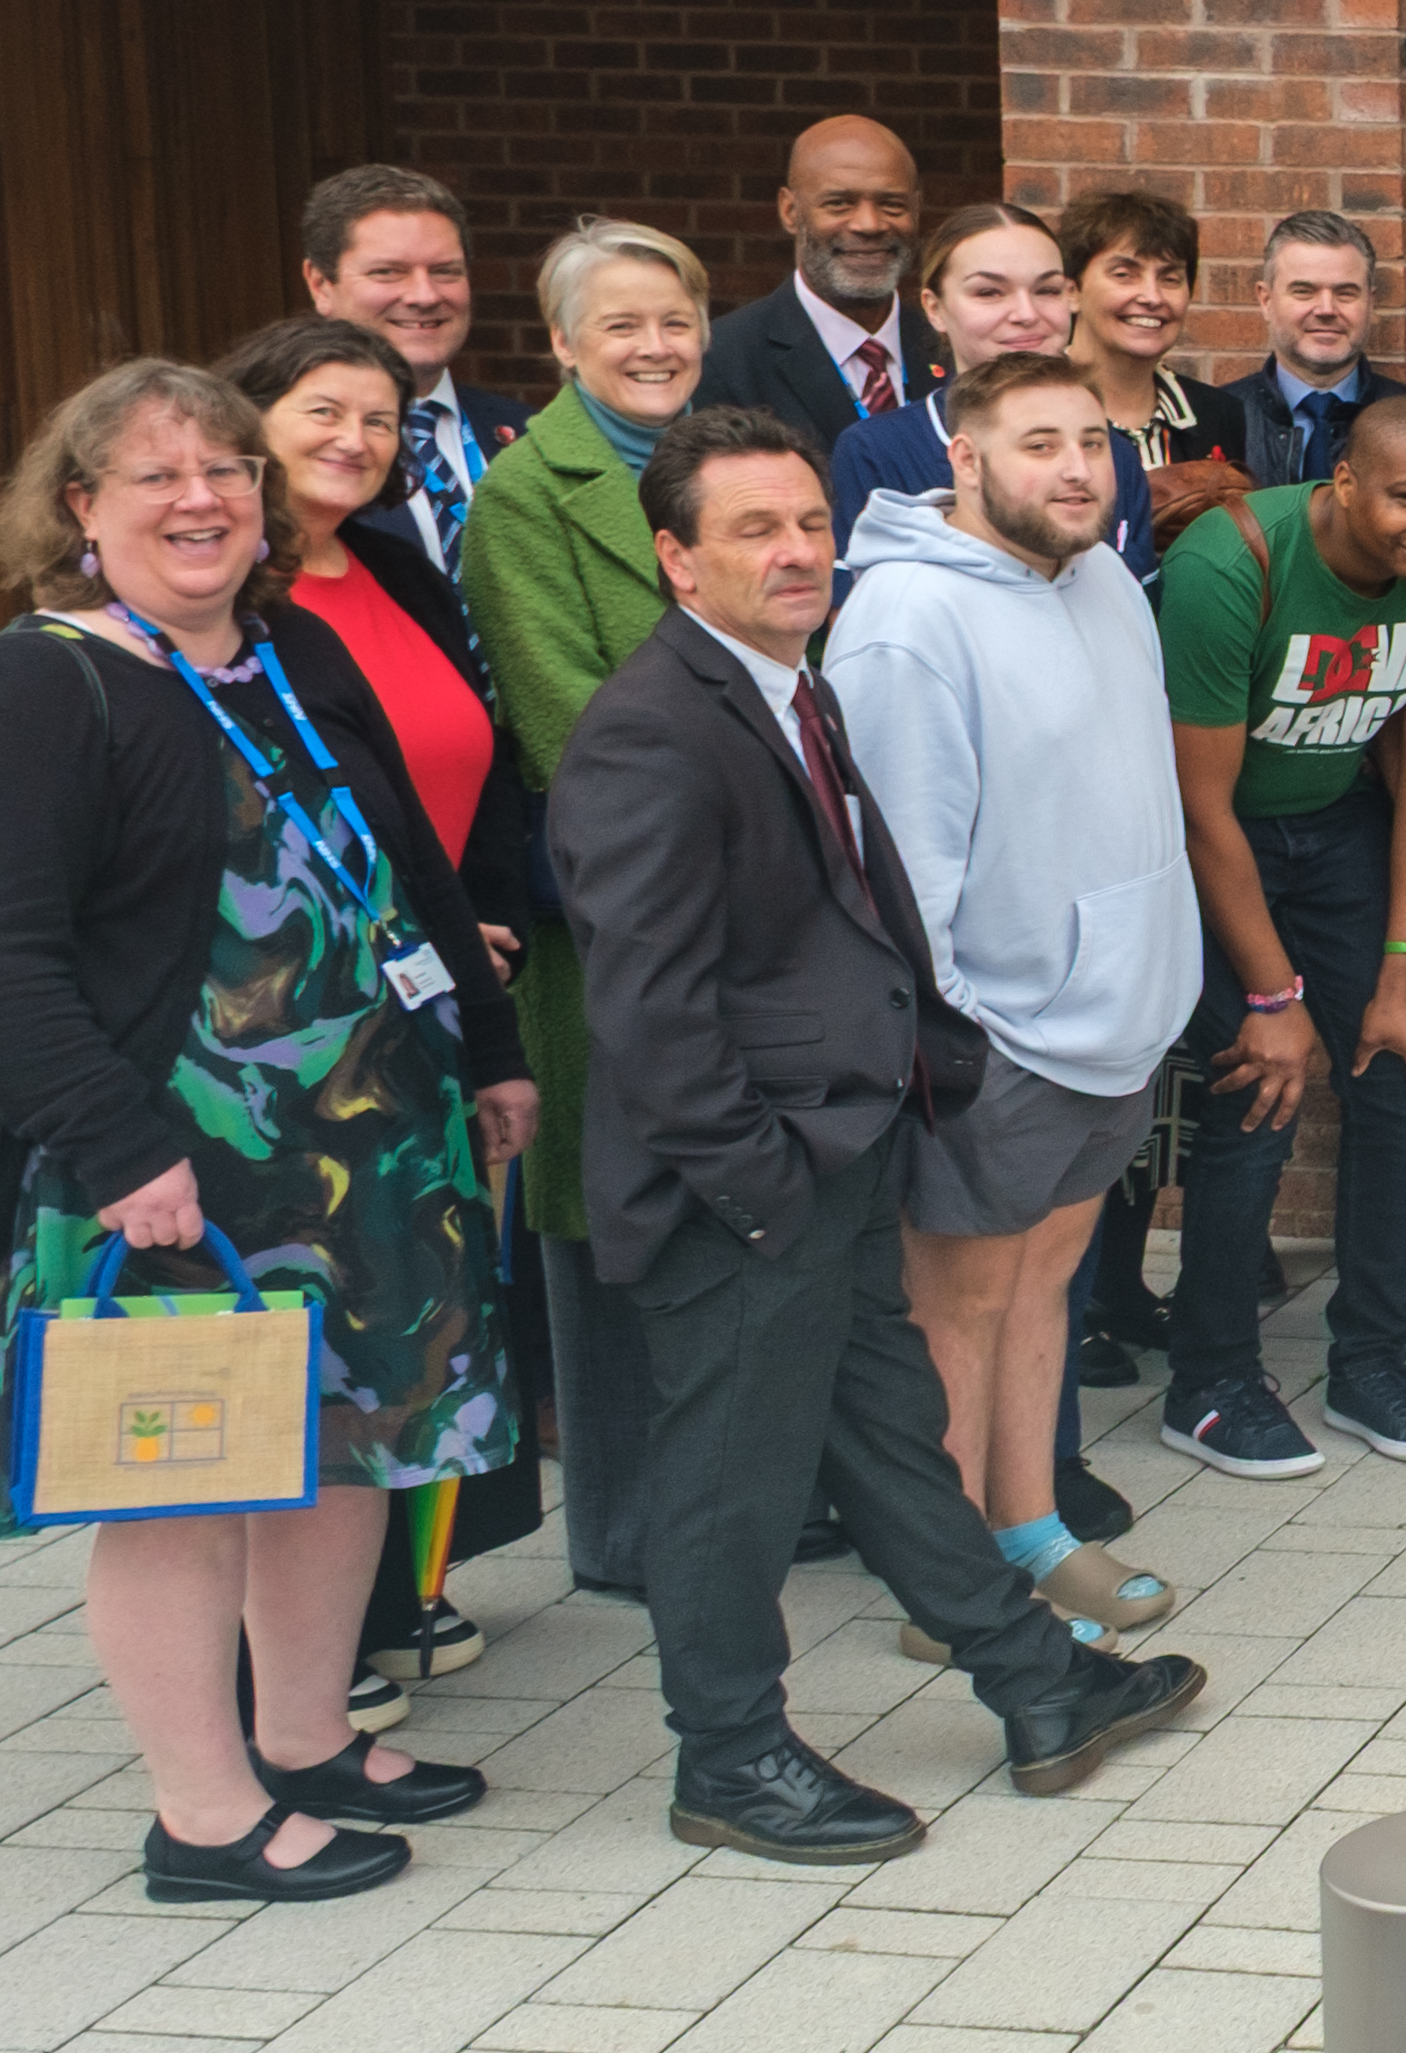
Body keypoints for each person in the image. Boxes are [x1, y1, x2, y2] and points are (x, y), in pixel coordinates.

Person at [553, 406, 1211, 1861]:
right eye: (752, 532)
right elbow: (651, 1011)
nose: (796, 552)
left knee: (896, 1443)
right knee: (729, 1475)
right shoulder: (650, 734)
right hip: (745, 1185)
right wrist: (760, 1185)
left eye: (806, 522)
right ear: (674, 560)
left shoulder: (792, 684)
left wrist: (924, 1059)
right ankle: (727, 1758)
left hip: (836, 1147)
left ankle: (1039, 1686)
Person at [0, 361, 529, 1903]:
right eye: (156, 476)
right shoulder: (38, 688)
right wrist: (120, 1153)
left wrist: (494, 1047)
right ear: (80, 509)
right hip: (169, 1166)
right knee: (178, 1481)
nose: (202, 500)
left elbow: (409, 864)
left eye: (227, 472)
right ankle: (202, 1814)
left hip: (375, 1137)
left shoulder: (290, 645)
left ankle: (309, 1733)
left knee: (348, 1444)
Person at [823, 351, 1200, 1637]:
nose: (1077, 469)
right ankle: (955, 1583)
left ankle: (1028, 1526)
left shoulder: (1105, 581)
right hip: (996, 1037)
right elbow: (901, 870)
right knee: (960, 1301)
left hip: (1114, 1016)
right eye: (1039, 443)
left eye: (1093, 441)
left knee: (1047, 1278)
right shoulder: (903, 621)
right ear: (964, 459)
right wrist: (955, 1038)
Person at [222, 316, 553, 1690]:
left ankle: (376, 1601)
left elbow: (454, 764)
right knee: (310, 1323)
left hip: (427, 991)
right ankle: (277, 1649)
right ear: (247, 425)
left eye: (378, 417)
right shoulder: (221, 606)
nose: (354, 439)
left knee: (412, 1314)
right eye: (322, 411)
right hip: (277, 1038)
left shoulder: (397, 566)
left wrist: (474, 930)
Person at [1153, 394, 1406, 1477]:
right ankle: (1208, 1382)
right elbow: (1199, 805)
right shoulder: (1230, 562)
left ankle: (1371, 1361)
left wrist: (1403, 970)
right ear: (1343, 484)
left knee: (1400, 1071)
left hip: (1339, 822)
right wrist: (1269, 998)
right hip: (1222, 836)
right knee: (1261, 1089)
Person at [461, 217, 719, 1602]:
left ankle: (733, 1498)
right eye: (619, 324)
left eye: (673, 318)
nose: (652, 345)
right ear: (561, 345)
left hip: (745, 908)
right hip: (615, 917)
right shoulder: (525, 492)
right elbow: (570, 727)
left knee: (712, 1210)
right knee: (603, 1218)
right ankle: (623, 1534)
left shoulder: (720, 460)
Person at [822, 204, 1114, 549]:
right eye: (989, 292)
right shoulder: (878, 449)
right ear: (935, 308)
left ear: (1072, 296)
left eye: (1046, 290)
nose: (1025, 313)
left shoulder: (1110, 453)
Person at [297, 166, 529, 579]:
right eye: (387, 272)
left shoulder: (529, 434)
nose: (424, 296)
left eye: (445, 271)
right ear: (320, 284)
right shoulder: (283, 448)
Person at [693, 113, 943, 448]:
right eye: (839, 203)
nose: (869, 224)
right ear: (790, 211)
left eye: (892, 204)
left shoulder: (950, 346)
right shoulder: (722, 360)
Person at [1209, 209, 1406, 488]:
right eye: (1304, 291)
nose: (1327, 309)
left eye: (1345, 293)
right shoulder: (1216, 421)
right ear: (1266, 300)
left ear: (1371, 302)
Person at [1066, 189, 1243, 547]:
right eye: (1124, 274)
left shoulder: (1217, 413)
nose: (1152, 296)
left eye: (1170, 278)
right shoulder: (1030, 407)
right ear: (1072, 291)